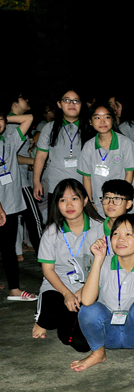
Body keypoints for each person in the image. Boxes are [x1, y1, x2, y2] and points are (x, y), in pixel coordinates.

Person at [71, 214, 134, 371]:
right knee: (88, 310)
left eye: (128, 234)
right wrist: (98, 260)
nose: (120, 239)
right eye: (116, 234)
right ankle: (98, 353)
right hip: (108, 333)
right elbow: (86, 300)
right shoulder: (104, 263)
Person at [32, 179, 103, 349]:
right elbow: (48, 270)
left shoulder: (100, 228)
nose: (69, 205)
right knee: (51, 315)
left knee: (80, 343)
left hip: (90, 287)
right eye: (63, 200)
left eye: (74, 198)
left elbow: (105, 267)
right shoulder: (51, 232)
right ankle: (43, 319)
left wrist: (83, 291)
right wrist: (67, 294)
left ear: (85, 201)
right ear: (57, 204)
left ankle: (66, 315)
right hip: (58, 287)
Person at [0, 110, 36, 300]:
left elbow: (28, 118)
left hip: (10, 204)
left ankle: (14, 289)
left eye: (0, 119)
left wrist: (6, 118)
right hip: (1, 206)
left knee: (9, 248)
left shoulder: (9, 141)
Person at [77, 102, 134, 210]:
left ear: (112, 119)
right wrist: (90, 201)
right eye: (97, 117)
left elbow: (129, 174)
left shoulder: (126, 143)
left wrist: (121, 199)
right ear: (90, 121)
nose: (102, 121)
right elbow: (86, 177)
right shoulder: (88, 146)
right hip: (99, 200)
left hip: (121, 199)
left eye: (107, 117)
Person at [33, 90, 86, 203]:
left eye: (76, 101)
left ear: (81, 104)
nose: (71, 104)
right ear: (59, 104)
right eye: (67, 100)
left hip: (83, 185)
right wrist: (36, 182)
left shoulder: (89, 128)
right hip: (56, 186)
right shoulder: (49, 128)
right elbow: (41, 156)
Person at [86, 179, 134, 258]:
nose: (110, 203)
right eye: (107, 198)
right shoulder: (93, 233)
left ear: (128, 204)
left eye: (117, 198)